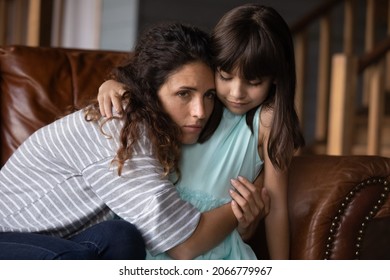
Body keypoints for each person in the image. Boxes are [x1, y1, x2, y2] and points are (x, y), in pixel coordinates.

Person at [0, 23, 262, 260]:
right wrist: (250, 196)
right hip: (8, 237)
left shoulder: (156, 126)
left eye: (209, 96)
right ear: (149, 91)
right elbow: (184, 245)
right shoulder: (120, 128)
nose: (200, 111)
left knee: (122, 236)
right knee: (71, 261)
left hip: (55, 239)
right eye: (184, 93)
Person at [98, 4, 305, 260]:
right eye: (226, 76)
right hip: (153, 231)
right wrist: (111, 84)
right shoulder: (198, 105)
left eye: (253, 82)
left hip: (212, 249)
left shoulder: (267, 121)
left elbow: (275, 210)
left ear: (275, 77)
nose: (236, 93)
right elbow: (154, 85)